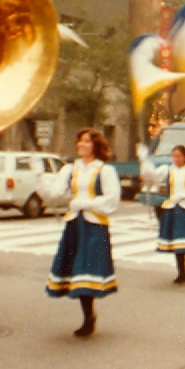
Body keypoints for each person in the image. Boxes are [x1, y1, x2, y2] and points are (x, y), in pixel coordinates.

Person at [43, 128, 120, 337]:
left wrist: (84, 203)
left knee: (86, 268)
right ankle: (89, 315)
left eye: (86, 141)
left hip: (94, 225)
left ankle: (89, 317)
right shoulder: (70, 169)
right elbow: (55, 194)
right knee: (76, 270)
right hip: (75, 225)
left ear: (95, 145)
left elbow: (113, 200)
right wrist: (41, 179)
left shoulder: (105, 171)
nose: (81, 145)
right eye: (79, 141)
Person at [141, 144, 185, 284]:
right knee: (175, 241)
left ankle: (183, 270)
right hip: (171, 208)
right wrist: (145, 160)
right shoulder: (168, 170)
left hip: (183, 208)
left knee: (181, 240)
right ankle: (181, 270)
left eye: (179, 156)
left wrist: (180, 196)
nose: (176, 159)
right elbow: (152, 175)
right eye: (174, 156)